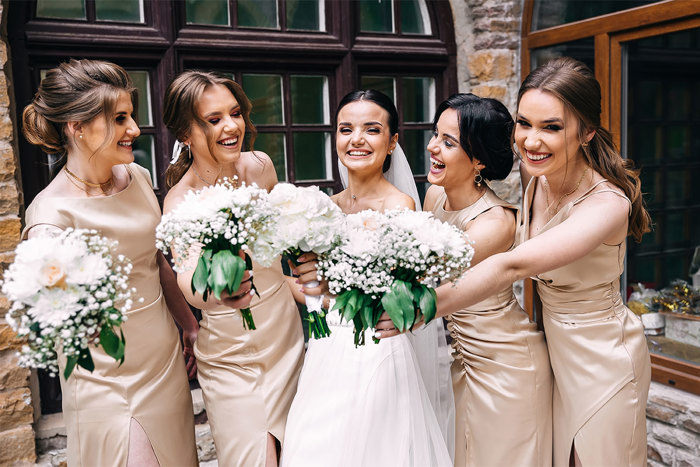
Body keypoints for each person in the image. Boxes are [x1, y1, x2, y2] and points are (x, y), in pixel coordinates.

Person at [379, 57, 652, 467]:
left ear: (587, 132)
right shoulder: (534, 177)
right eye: (525, 123)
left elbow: (511, 266)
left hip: (604, 359)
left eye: (552, 127)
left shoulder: (607, 203)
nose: (531, 141)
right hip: (549, 353)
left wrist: (425, 304)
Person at [21, 59, 198, 466]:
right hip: (104, 376)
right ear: (77, 126)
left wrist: (188, 325)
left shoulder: (135, 175)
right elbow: (48, 314)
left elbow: (153, 259)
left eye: (131, 116)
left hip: (164, 361)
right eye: (119, 119)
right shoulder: (50, 217)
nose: (134, 130)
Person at [280, 90, 454, 467]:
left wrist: (329, 293)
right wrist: (311, 287)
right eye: (346, 129)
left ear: (392, 142)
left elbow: (395, 296)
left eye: (371, 130)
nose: (356, 139)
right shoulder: (322, 209)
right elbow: (311, 292)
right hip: (326, 350)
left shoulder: (400, 207)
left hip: (377, 347)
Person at [162, 70, 305, 467]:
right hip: (232, 353)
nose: (231, 126)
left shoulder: (260, 166)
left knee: (304, 451)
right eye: (214, 119)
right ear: (186, 135)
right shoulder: (180, 201)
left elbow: (281, 247)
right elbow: (188, 277)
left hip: (285, 335)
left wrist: (306, 280)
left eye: (235, 113)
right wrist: (219, 294)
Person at [424, 93, 552, 466]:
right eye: (436, 135)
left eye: (449, 142)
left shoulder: (495, 223)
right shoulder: (434, 195)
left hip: (506, 365)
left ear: (478, 159)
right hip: (462, 360)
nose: (433, 147)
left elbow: (426, 280)